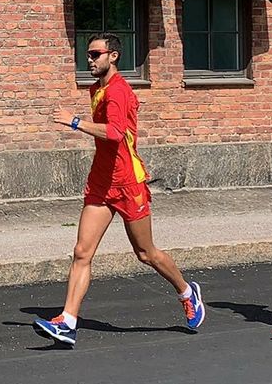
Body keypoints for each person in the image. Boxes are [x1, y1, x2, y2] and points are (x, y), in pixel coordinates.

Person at [31, 33, 205, 347]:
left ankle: (186, 292)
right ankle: (68, 320)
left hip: (128, 183)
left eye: (96, 53)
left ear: (113, 56)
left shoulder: (120, 91)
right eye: (88, 54)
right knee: (82, 252)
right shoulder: (96, 88)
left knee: (146, 253)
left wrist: (74, 122)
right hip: (101, 182)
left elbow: (114, 133)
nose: (90, 59)